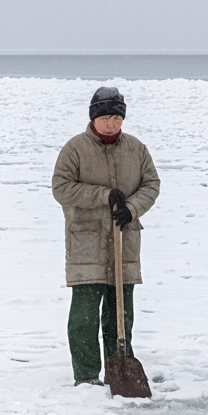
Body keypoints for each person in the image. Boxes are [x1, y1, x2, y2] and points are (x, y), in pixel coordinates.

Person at [52, 86, 160, 386]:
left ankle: (120, 367)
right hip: (86, 244)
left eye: (116, 117)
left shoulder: (136, 149)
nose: (111, 124)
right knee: (84, 316)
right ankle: (86, 375)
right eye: (105, 118)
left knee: (120, 315)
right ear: (93, 118)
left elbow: (151, 184)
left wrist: (132, 209)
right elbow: (61, 187)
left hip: (124, 244)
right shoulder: (75, 149)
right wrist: (102, 196)